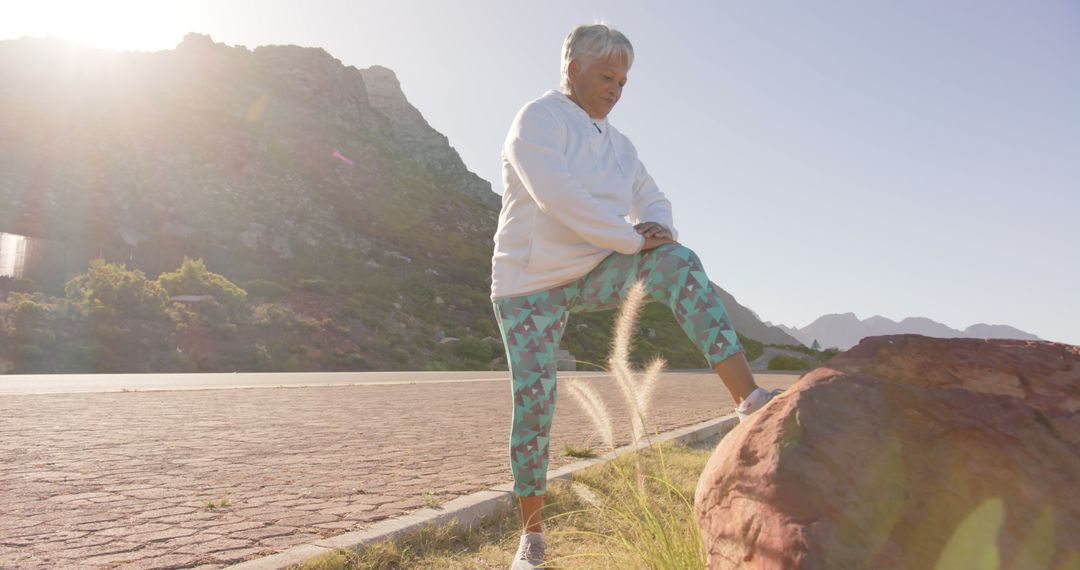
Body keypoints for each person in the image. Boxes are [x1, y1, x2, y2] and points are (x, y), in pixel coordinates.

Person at [490, 23, 778, 569]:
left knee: (678, 263)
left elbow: (651, 195)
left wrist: (657, 230)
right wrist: (630, 238)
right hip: (527, 285)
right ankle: (531, 540)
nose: (616, 90)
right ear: (571, 69)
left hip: (593, 269)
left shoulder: (620, 146)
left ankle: (749, 403)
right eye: (606, 77)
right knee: (534, 405)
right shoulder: (538, 120)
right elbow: (557, 197)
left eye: (623, 81)